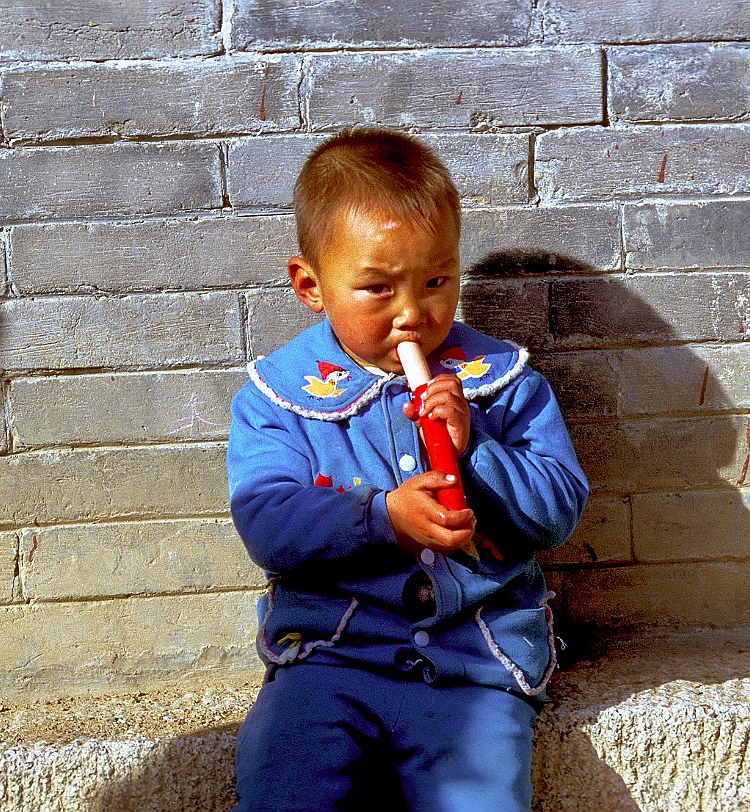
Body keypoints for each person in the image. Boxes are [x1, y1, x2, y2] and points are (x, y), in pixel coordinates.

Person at [227, 127, 589, 812]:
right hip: (330, 659)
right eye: (376, 289)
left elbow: (558, 510)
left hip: (476, 663)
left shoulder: (500, 384)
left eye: (436, 282)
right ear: (310, 284)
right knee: (282, 785)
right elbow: (267, 522)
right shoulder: (279, 395)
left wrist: (474, 443)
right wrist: (382, 519)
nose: (412, 315)